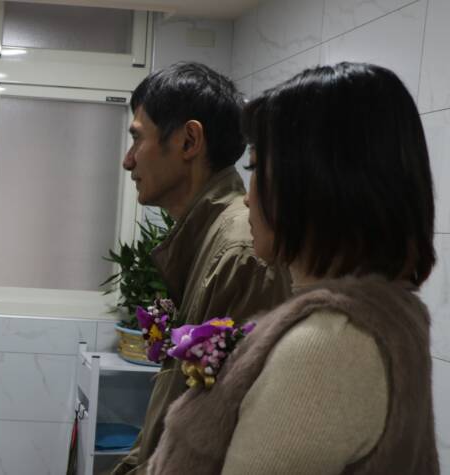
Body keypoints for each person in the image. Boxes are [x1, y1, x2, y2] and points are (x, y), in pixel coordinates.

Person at [149, 62, 439, 474]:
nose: (247, 198)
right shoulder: (380, 319)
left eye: (255, 168)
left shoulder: (327, 349)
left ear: (316, 183)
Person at [110, 62, 290, 475]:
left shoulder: (240, 254)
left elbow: (226, 439)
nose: (128, 161)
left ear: (189, 141)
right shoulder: (209, 237)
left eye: (137, 139)